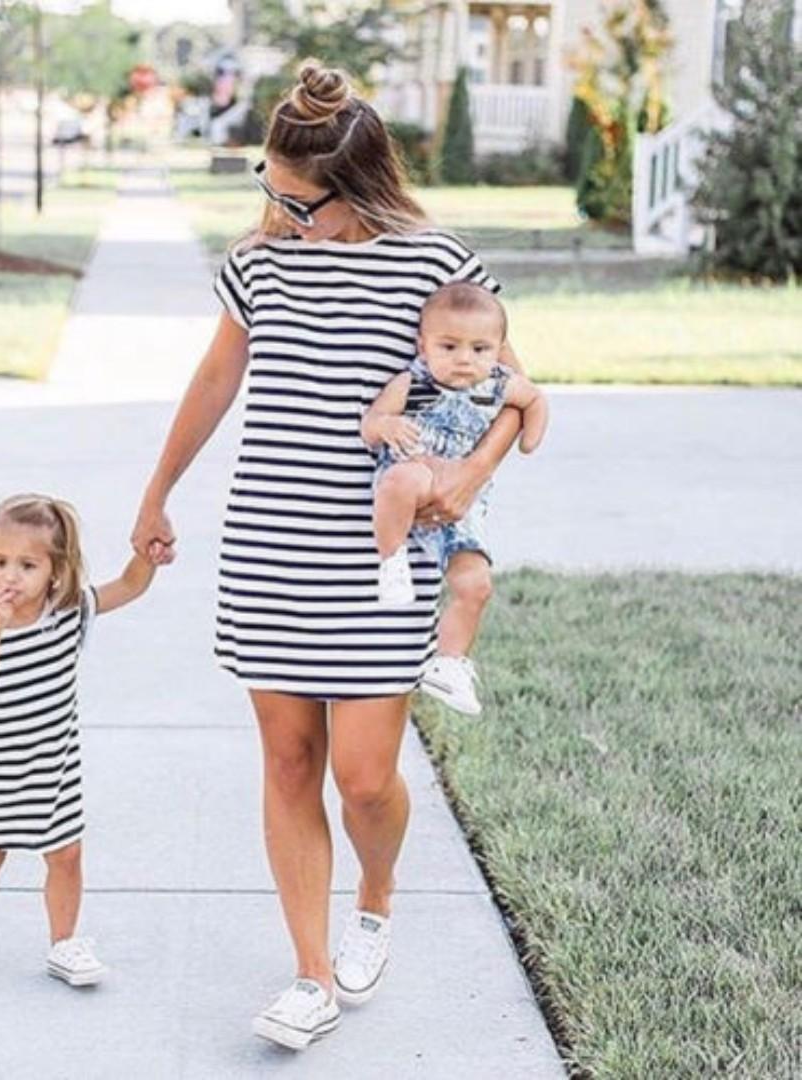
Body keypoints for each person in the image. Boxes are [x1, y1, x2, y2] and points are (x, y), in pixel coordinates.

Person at [131, 60, 533, 1051]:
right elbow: (215, 382)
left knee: (363, 778)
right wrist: (157, 492)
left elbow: (517, 389)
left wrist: (467, 484)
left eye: (294, 197)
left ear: (353, 190)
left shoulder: (435, 265)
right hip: (271, 543)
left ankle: (378, 897)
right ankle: (309, 974)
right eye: (269, 188)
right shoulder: (259, 263)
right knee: (286, 761)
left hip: (383, 550)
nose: (277, 208)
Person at [0, 493, 155, 987]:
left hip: (53, 770)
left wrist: (149, 556)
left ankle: (64, 943)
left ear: (56, 572)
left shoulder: (69, 614)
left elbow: (129, 586)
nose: (9, 577)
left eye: (27, 565)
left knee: (66, 855)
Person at [363, 281, 547, 716]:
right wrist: (386, 427)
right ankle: (391, 561)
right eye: (449, 347)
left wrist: (530, 439)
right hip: (420, 475)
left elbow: (536, 398)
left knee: (476, 584)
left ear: (498, 348)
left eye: (480, 349)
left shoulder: (500, 384)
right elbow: (371, 422)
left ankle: (447, 664)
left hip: (464, 498)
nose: (465, 359)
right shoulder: (413, 382)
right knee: (400, 481)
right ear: (422, 346)